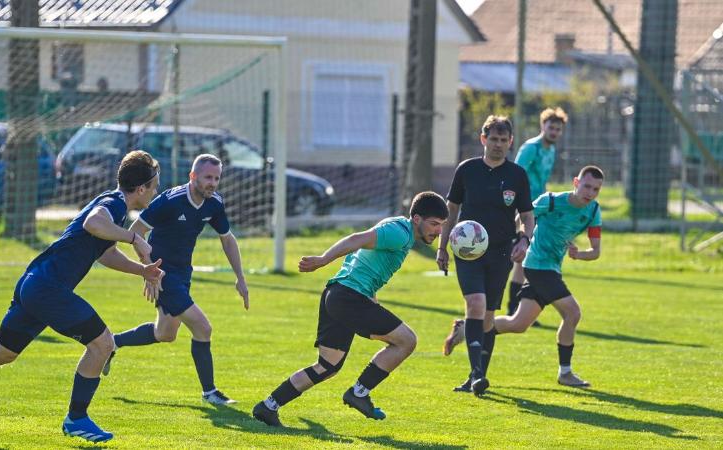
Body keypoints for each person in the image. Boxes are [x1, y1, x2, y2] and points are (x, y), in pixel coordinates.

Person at [0, 150, 164, 443]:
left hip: (34, 284)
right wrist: (135, 238)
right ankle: (77, 419)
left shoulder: (112, 206)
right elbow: (93, 225)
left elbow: (106, 252)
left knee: (2, 353)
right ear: (141, 188)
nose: (156, 191)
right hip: (48, 288)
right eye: (155, 186)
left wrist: (141, 270)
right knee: (103, 343)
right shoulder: (113, 204)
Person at [252, 192, 448, 427]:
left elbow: (363, 259)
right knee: (406, 340)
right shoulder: (399, 233)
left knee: (328, 366)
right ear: (417, 219)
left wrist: (371, 298)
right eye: (434, 224)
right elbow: (357, 239)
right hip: (348, 297)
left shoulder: (398, 228)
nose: (438, 231)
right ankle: (359, 392)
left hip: (337, 294)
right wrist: (324, 259)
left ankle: (269, 406)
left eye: (441, 226)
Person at [106, 153, 249, 406]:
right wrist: (147, 270)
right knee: (203, 328)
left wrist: (240, 277)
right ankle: (210, 393)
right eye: (207, 177)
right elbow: (135, 232)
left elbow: (227, 238)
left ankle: (111, 343)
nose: (212, 183)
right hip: (162, 273)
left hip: (183, 272)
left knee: (165, 333)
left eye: (216, 178)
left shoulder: (214, 204)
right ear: (192, 176)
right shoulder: (169, 201)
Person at [436, 115, 534, 396]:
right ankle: (477, 373)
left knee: (489, 316)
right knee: (475, 304)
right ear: (483, 139)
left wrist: (524, 240)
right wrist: (442, 248)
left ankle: (476, 376)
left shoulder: (517, 175)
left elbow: (527, 215)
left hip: (502, 251)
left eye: (504, 140)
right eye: (493, 139)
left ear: (510, 142)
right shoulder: (467, 170)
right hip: (467, 252)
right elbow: (451, 211)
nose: (498, 145)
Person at [492, 165, 603, 388]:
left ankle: (469, 327)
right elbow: (522, 219)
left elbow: (595, 251)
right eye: (587, 186)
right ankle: (565, 372)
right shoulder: (550, 201)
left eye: (596, 189)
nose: (590, 192)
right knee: (572, 313)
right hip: (536, 265)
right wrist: (516, 242)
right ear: (575, 182)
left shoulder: (593, 211)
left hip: (552, 268)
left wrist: (578, 254)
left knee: (519, 323)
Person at [507, 107, 568, 318]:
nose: (554, 132)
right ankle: (512, 307)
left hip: (537, 209)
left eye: (558, 129)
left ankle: (516, 308)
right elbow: (515, 174)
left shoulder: (550, 150)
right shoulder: (531, 147)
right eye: (551, 127)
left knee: (525, 258)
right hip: (522, 209)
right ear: (543, 126)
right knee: (518, 257)